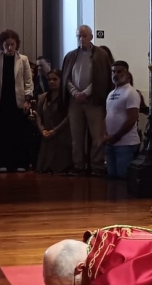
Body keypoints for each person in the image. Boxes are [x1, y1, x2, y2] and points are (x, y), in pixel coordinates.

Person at [60, 25, 114, 176]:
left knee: (97, 136)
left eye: (84, 36)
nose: (81, 39)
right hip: (75, 101)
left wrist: (86, 92)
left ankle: (96, 166)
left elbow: (102, 78)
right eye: (78, 36)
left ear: (91, 37)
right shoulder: (70, 56)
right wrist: (74, 92)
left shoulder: (101, 55)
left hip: (93, 101)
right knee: (76, 136)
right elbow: (66, 78)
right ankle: (78, 165)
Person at [0, 30, 33, 173]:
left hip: (18, 101)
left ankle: (20, 162)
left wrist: (27, 99)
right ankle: (3, 162)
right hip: (1, 101)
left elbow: (28, 81)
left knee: (19, 133)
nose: (9, 47)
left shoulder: (24, 59)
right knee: (2, 134)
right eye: (6, 45)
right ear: (1, 45)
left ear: (16, 45)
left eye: (12, 44)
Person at [103, 61, 140, 180]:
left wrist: (116, 136)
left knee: (123, 179)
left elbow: (132, 118)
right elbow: (108, 115)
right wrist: (105, 134)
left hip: (126, 144)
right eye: (113, 71)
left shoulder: (131, 93)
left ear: (127, 74)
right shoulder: (110, 94)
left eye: (119, 71)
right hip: (111, 143)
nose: (116, 74)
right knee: (112, 178)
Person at [35, 69, 71, 174]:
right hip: (46, 135)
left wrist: (55, 130)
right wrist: (42, 130)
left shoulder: (66, 97)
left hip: (62, 135)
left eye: (55, 79)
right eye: (49, 79)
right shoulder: (43, 97)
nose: (51, 82)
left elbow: (69, 117)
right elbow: (38, 116)